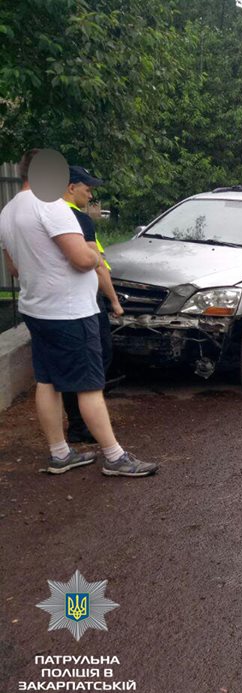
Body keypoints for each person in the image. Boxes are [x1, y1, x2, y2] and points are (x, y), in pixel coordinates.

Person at [0, 149, 157, 476]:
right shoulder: (52, 206)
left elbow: (13, 268)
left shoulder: (8, 211)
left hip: (35, 308)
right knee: (89, 386)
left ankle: (60, 453)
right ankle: (115, 457)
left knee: (48, 381)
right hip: (70, 312)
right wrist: (95, 256)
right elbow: (83, 260)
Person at [61, 165, 124, 443]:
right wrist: (113, 300)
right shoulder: (78, 220)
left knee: (66, 366)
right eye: (87, 188)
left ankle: (76, 423)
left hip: (56, 303)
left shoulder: (47, 215)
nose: (91, 194)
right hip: (86, 301)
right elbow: (96, 266)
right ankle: (84, 425)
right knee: (97, 359)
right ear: (71, 186)